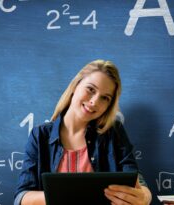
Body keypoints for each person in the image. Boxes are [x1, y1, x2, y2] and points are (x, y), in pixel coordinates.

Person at [14, 60, 152, 205]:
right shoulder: (40, 135)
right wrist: (72, 195)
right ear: (75, 86)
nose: (94, 102)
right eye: (91, 89)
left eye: (105, 98)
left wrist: (145, 197)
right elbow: (21, 198)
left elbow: (137, 181)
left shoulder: (113, 132)